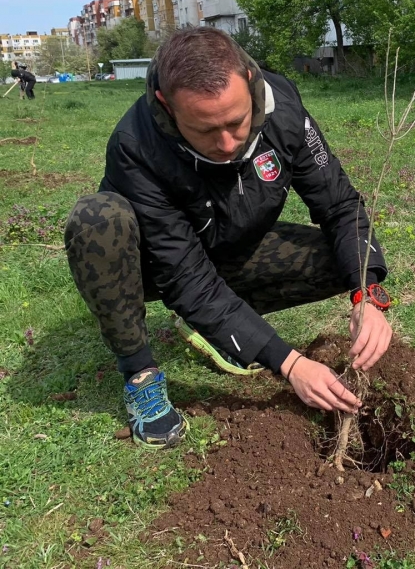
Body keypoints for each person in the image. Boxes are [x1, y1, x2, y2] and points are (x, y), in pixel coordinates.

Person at [64, 28, 394, 449]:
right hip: (154, 268)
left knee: (342, 261)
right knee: (96, 218)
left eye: (236, 122)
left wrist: (367, 292)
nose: (226, 144)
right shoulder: (136, 146)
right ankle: (139, 371)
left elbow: (340, 205)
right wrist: (289, 363)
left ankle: (213, 326)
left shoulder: (283, 107)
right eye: (204, 129)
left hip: (229, 250)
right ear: (167, 107)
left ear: (252, 84)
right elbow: (184, 277)